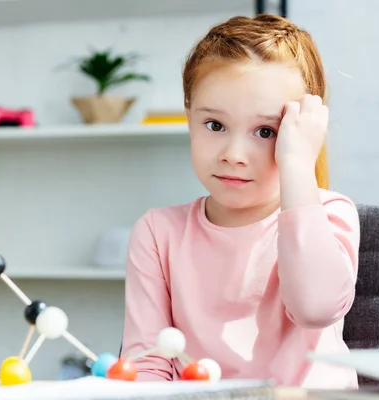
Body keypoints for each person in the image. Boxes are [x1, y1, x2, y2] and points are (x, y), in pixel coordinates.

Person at [120, 14, 360, 389]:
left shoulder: (330, 214)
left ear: (304, 131)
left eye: (266, 131)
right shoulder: (157, 232)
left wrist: (297, 164)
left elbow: (315, 309)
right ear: (189, 116)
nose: (234, 154)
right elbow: (146, 370)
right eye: (215, 125)